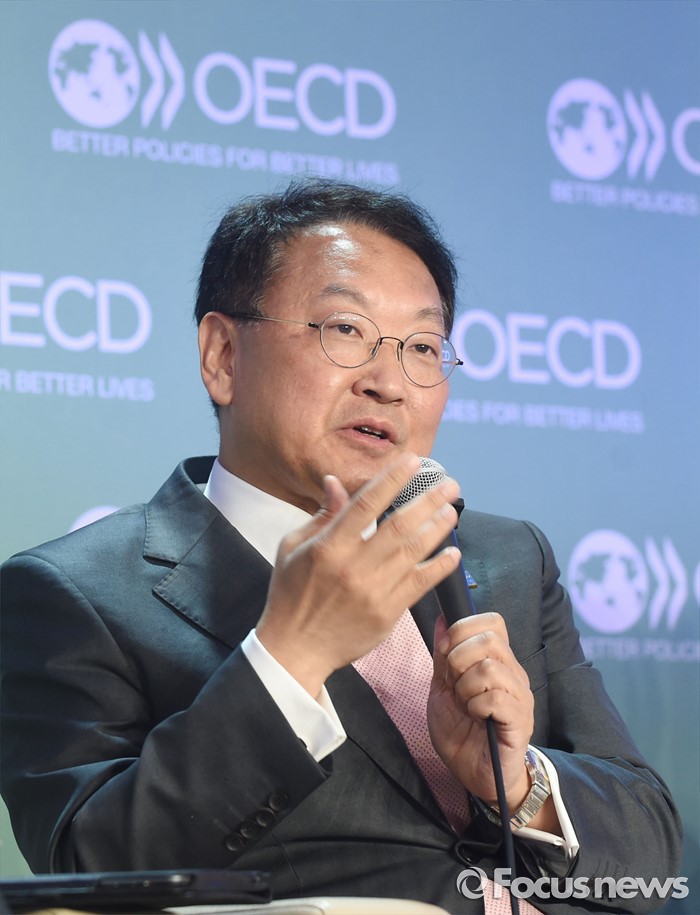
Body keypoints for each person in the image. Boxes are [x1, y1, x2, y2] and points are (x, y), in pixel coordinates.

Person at [0, 180, 682, 914]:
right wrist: (289, 657)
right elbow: (95, 870)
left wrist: (517, 787)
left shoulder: (506, 556)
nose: (389, 383)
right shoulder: (74, 592)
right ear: (223, 356)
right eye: (345, 329)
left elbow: (651, 853)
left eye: (423, 347)